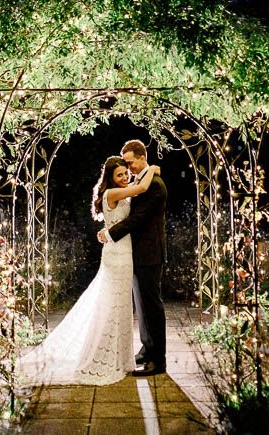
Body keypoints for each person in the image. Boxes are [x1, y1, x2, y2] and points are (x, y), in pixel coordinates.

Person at [0, 155, 160, 387]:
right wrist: (152, 167)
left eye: (125, 173)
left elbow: (131, 197)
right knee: (112, 305)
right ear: (109, 178)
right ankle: (102, 356)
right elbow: (141, 187)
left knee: (120, 305)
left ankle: (120, 358)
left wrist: (108, 229)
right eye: (119, 174)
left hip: (124, 252)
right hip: (117, 257)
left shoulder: (120, 190)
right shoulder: (111, 193)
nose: (124, 177)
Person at [98, 139, 167, 376]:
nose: (129, 168)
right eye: (125, 165)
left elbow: (138, 219)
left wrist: (110, 233)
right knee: (143, 306)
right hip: (135, 254)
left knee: (152, 306)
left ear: (141, 156)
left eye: (130, 162)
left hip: (149, 253)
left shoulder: (155, 184)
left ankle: (158, 360)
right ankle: (148, 350)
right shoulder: (141, 181)